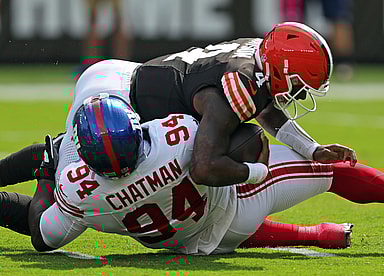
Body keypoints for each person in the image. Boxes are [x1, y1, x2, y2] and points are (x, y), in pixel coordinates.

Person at [2, 96, 383, 254]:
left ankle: (317, 235)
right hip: (233, 203)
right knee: (332, 171)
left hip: (180, 242)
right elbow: (219, 127)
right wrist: (251, 165)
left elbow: (44, 235)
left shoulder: (83, 191)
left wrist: (50, 171)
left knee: (46, 154)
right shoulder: (177, 137)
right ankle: (314, 233)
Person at [0, 22, 357, 190]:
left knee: (64, 158)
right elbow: (204, 167)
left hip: (128, 80)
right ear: (281, 70)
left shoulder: (258, 57)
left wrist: (311, 149)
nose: (299, 95)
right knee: (79, 190)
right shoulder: (238, 85)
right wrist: (259, 173)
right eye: (299, 85)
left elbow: (266, 109)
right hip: (123, 98)